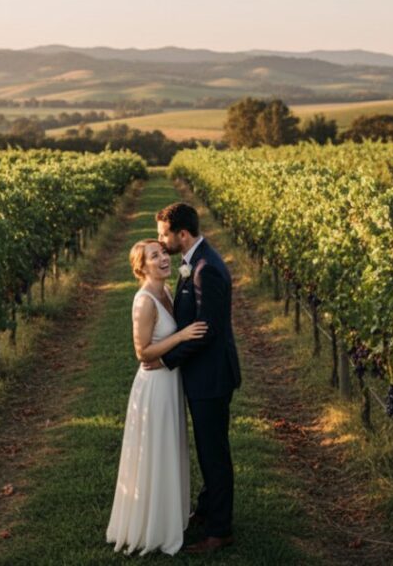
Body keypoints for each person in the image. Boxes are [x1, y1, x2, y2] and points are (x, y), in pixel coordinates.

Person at [106, 239, 208, 556]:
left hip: (170, 383)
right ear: (141, 267)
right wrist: (181, 335)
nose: (164, 258)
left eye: (164, 252)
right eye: (155, 256)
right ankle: (151, 527)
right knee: (154, 451)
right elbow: (142, 352)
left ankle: (169, 518)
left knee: (170, 448)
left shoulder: (166, 292)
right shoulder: (145, 301)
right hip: (154, 386)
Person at [150, 202, 241, 554]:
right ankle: (207, 510)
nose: (161, 241)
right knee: (207, 447)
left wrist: (166, 358)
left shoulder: (206, 270)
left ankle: (220, 531)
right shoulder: (195, 263)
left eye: (164, 235)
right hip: (204, 375)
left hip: (212, 378)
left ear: (182, 234)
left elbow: (206, 331)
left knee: (214, 453)